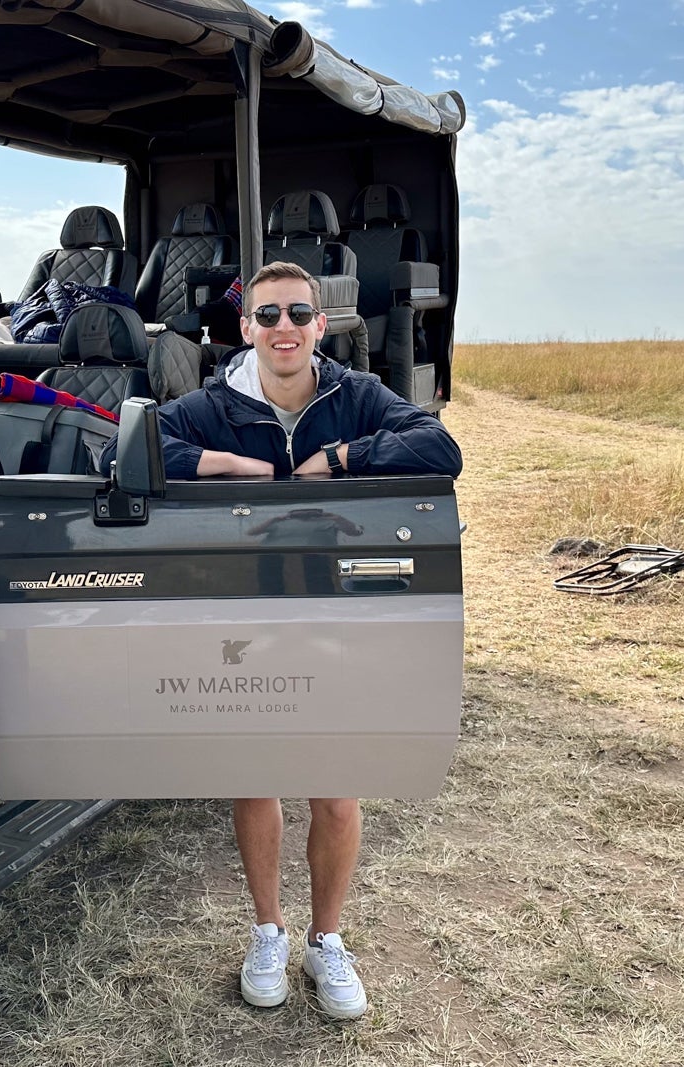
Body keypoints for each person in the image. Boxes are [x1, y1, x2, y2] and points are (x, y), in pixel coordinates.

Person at [101, 261, 462, 1019]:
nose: (284, 327)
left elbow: (439, 447)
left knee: (336, 783)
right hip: (247, 608)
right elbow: (125, 451)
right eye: (267, 316)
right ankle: (267, 930)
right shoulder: (213, 405)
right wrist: (231, 464)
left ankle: (327, 940)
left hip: (337, 611)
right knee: (256, 774)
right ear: (246, 329)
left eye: (298, 313)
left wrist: (343, 457)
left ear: (320, 324)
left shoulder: (356, 396)